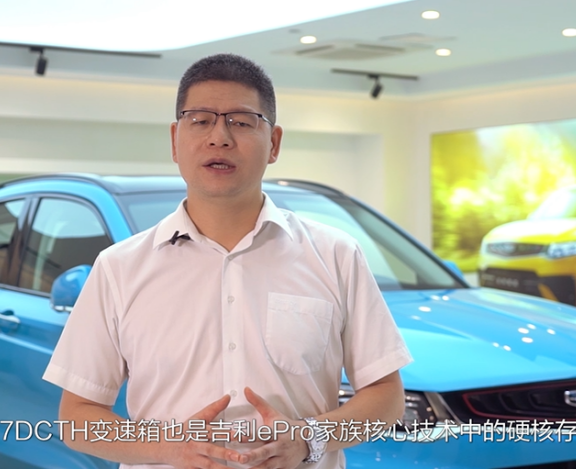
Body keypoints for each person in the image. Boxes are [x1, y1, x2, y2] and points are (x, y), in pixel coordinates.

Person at [43, 53, 413, 469]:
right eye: (200, 120)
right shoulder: (119, 268)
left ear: (274, 144)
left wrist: (307, 439)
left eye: (241, 121)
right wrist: (171, 447)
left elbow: (386, 397)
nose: (219, 137)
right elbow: (77, 419)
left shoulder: (336, 254)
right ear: (175, 140)